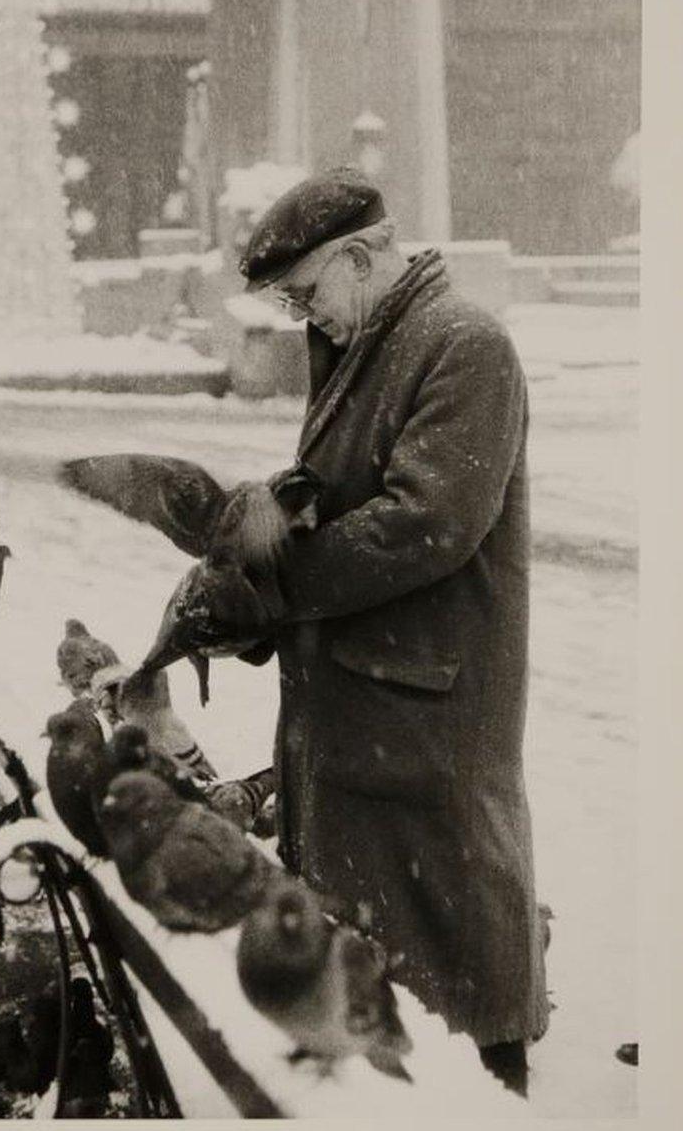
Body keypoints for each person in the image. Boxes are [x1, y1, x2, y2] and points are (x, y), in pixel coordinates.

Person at [235, 167, 549, 1094]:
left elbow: (428, 522)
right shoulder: (373, 339)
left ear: (364, 256)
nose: (303, 318)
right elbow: (345, 498)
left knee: (455, 963)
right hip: (366, 709)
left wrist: (275, 583)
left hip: (429, 719)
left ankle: (497, 1090)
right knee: (382, 967)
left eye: (305, 295)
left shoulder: (463, 343)